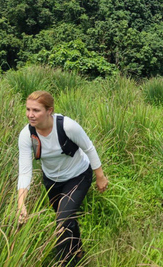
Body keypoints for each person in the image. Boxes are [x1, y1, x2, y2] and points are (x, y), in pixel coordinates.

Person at [17, 90, 108, 266]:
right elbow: (25, 171)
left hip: (78, 176)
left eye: (36, 110)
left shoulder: (67, 126)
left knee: (62, 220)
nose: (30, 114)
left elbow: (89, 148)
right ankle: (78, 250)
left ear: (49, 110)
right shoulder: (27, 135)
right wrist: (21, 204)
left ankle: (66, 262)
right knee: (66, 218)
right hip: (52, 180)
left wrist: (100, 177)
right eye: (28, 109)